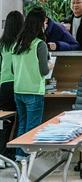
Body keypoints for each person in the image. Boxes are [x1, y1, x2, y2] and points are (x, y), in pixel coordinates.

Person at [12, 9, 54, 161]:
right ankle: (26, 158)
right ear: (39, 25)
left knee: (22, 124)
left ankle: (19, 156)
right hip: (34, 91)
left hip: (18, 90)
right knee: (32, 127)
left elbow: (12, 69)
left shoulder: (17, 44)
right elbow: (43, 70)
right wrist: (49, 66)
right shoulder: (39, 44)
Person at [0, 11, 24, 162]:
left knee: (5, 122)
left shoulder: (2, 43)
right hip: (20, 84)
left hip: (4, 85)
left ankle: (2, 156)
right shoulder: (22, 43)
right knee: (21, 120)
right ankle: (15, 154)